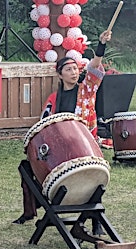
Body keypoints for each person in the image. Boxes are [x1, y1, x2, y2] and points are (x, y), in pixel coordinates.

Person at [13, 30, 112, 236]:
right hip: (62, 150)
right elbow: (45, 125)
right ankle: (30, 212)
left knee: (94, 179)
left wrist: (101, 46)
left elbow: (94, 67)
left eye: (76, 68)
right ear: (60, 74)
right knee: (27, 167)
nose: (74, 72)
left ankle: (95, 222)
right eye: (69, 69)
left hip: (85, 145)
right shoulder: (53, 99)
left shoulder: (87, 90)